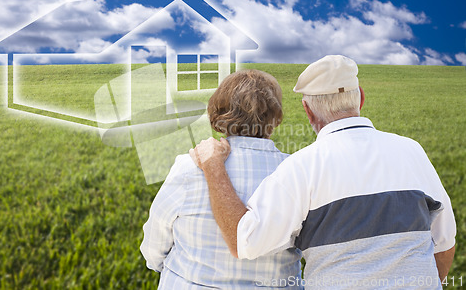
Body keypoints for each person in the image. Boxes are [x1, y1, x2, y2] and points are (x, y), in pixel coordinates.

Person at [190, 55, 456, 289]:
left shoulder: (301, 167)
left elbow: (244, 241)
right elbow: (444, 244)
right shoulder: (412, 151)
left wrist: (213, 166)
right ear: (361, 97)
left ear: (308, 111)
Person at [141, 69, 303, 289]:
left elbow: (154, 244)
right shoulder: (297, 172)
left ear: (219, 112)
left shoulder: (189, 167)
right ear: (275, 117)